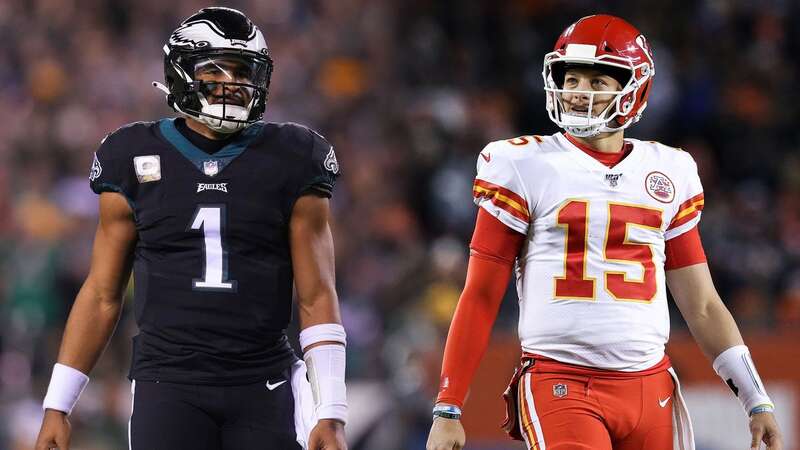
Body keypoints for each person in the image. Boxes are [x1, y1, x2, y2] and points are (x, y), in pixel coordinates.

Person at [426, 14, 783, 450]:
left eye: (598, 82)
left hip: (650, 386)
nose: (579, 92)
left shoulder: (667, 170)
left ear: (632, 90)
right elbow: (481, 293)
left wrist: (756, 399)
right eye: (572, 77)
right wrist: (449, 405)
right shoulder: (523, 164)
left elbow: (703, 305)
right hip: (561, 380)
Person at [34, 7, 347, 450]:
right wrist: (57, 405)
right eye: (215, 69)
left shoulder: (293, 157)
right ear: (181, 72)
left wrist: (331, 411)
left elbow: (318, 294)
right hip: (168, 382)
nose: (232, 83)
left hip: (264, 382)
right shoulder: (133, 154)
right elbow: (102, 294)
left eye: (243, 71)